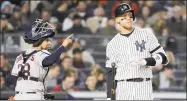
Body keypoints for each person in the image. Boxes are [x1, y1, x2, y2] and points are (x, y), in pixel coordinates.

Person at [105, 3, 168, 100]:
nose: (129, 18)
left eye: (130, 15)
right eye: (124, 16)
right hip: (123, 88)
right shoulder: (112, 44)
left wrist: (146, 61)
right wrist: (110, 96)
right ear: (117, 20)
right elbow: (111, 72)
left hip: (144, 87)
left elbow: (163, 57)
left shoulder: (146, 34)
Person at [9, 18, 72, 100]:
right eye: (46, 40)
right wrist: (63, 45)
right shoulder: (41, 53)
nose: (49, 43)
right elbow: (50, 60)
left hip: (18, 96)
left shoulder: (20, 55)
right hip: (33, 96)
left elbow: (13, 78)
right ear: (39, 41)